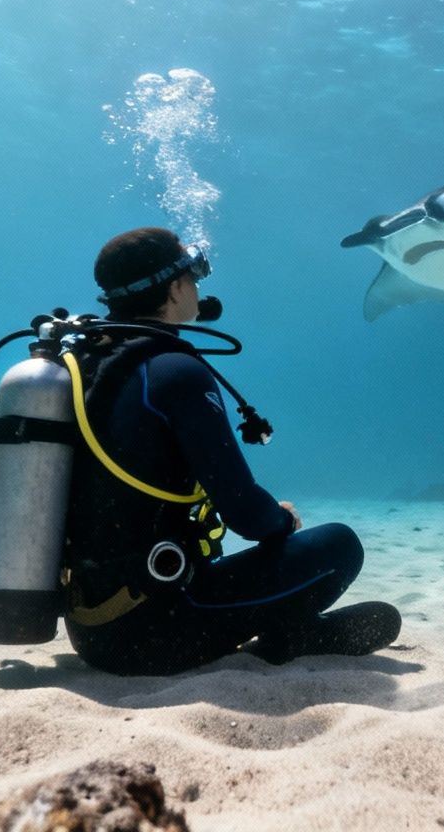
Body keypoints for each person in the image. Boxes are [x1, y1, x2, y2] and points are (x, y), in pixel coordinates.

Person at [60, 227, 399, 675]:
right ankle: (295, 636)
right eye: (194, 276)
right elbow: (246, 514)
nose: (199, 288)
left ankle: (292, 632)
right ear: (176, 286)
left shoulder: (89, 365)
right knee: (339, 545)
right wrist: (282, 519)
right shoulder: (176, 372)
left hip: (89, 629)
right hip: (153, 635)